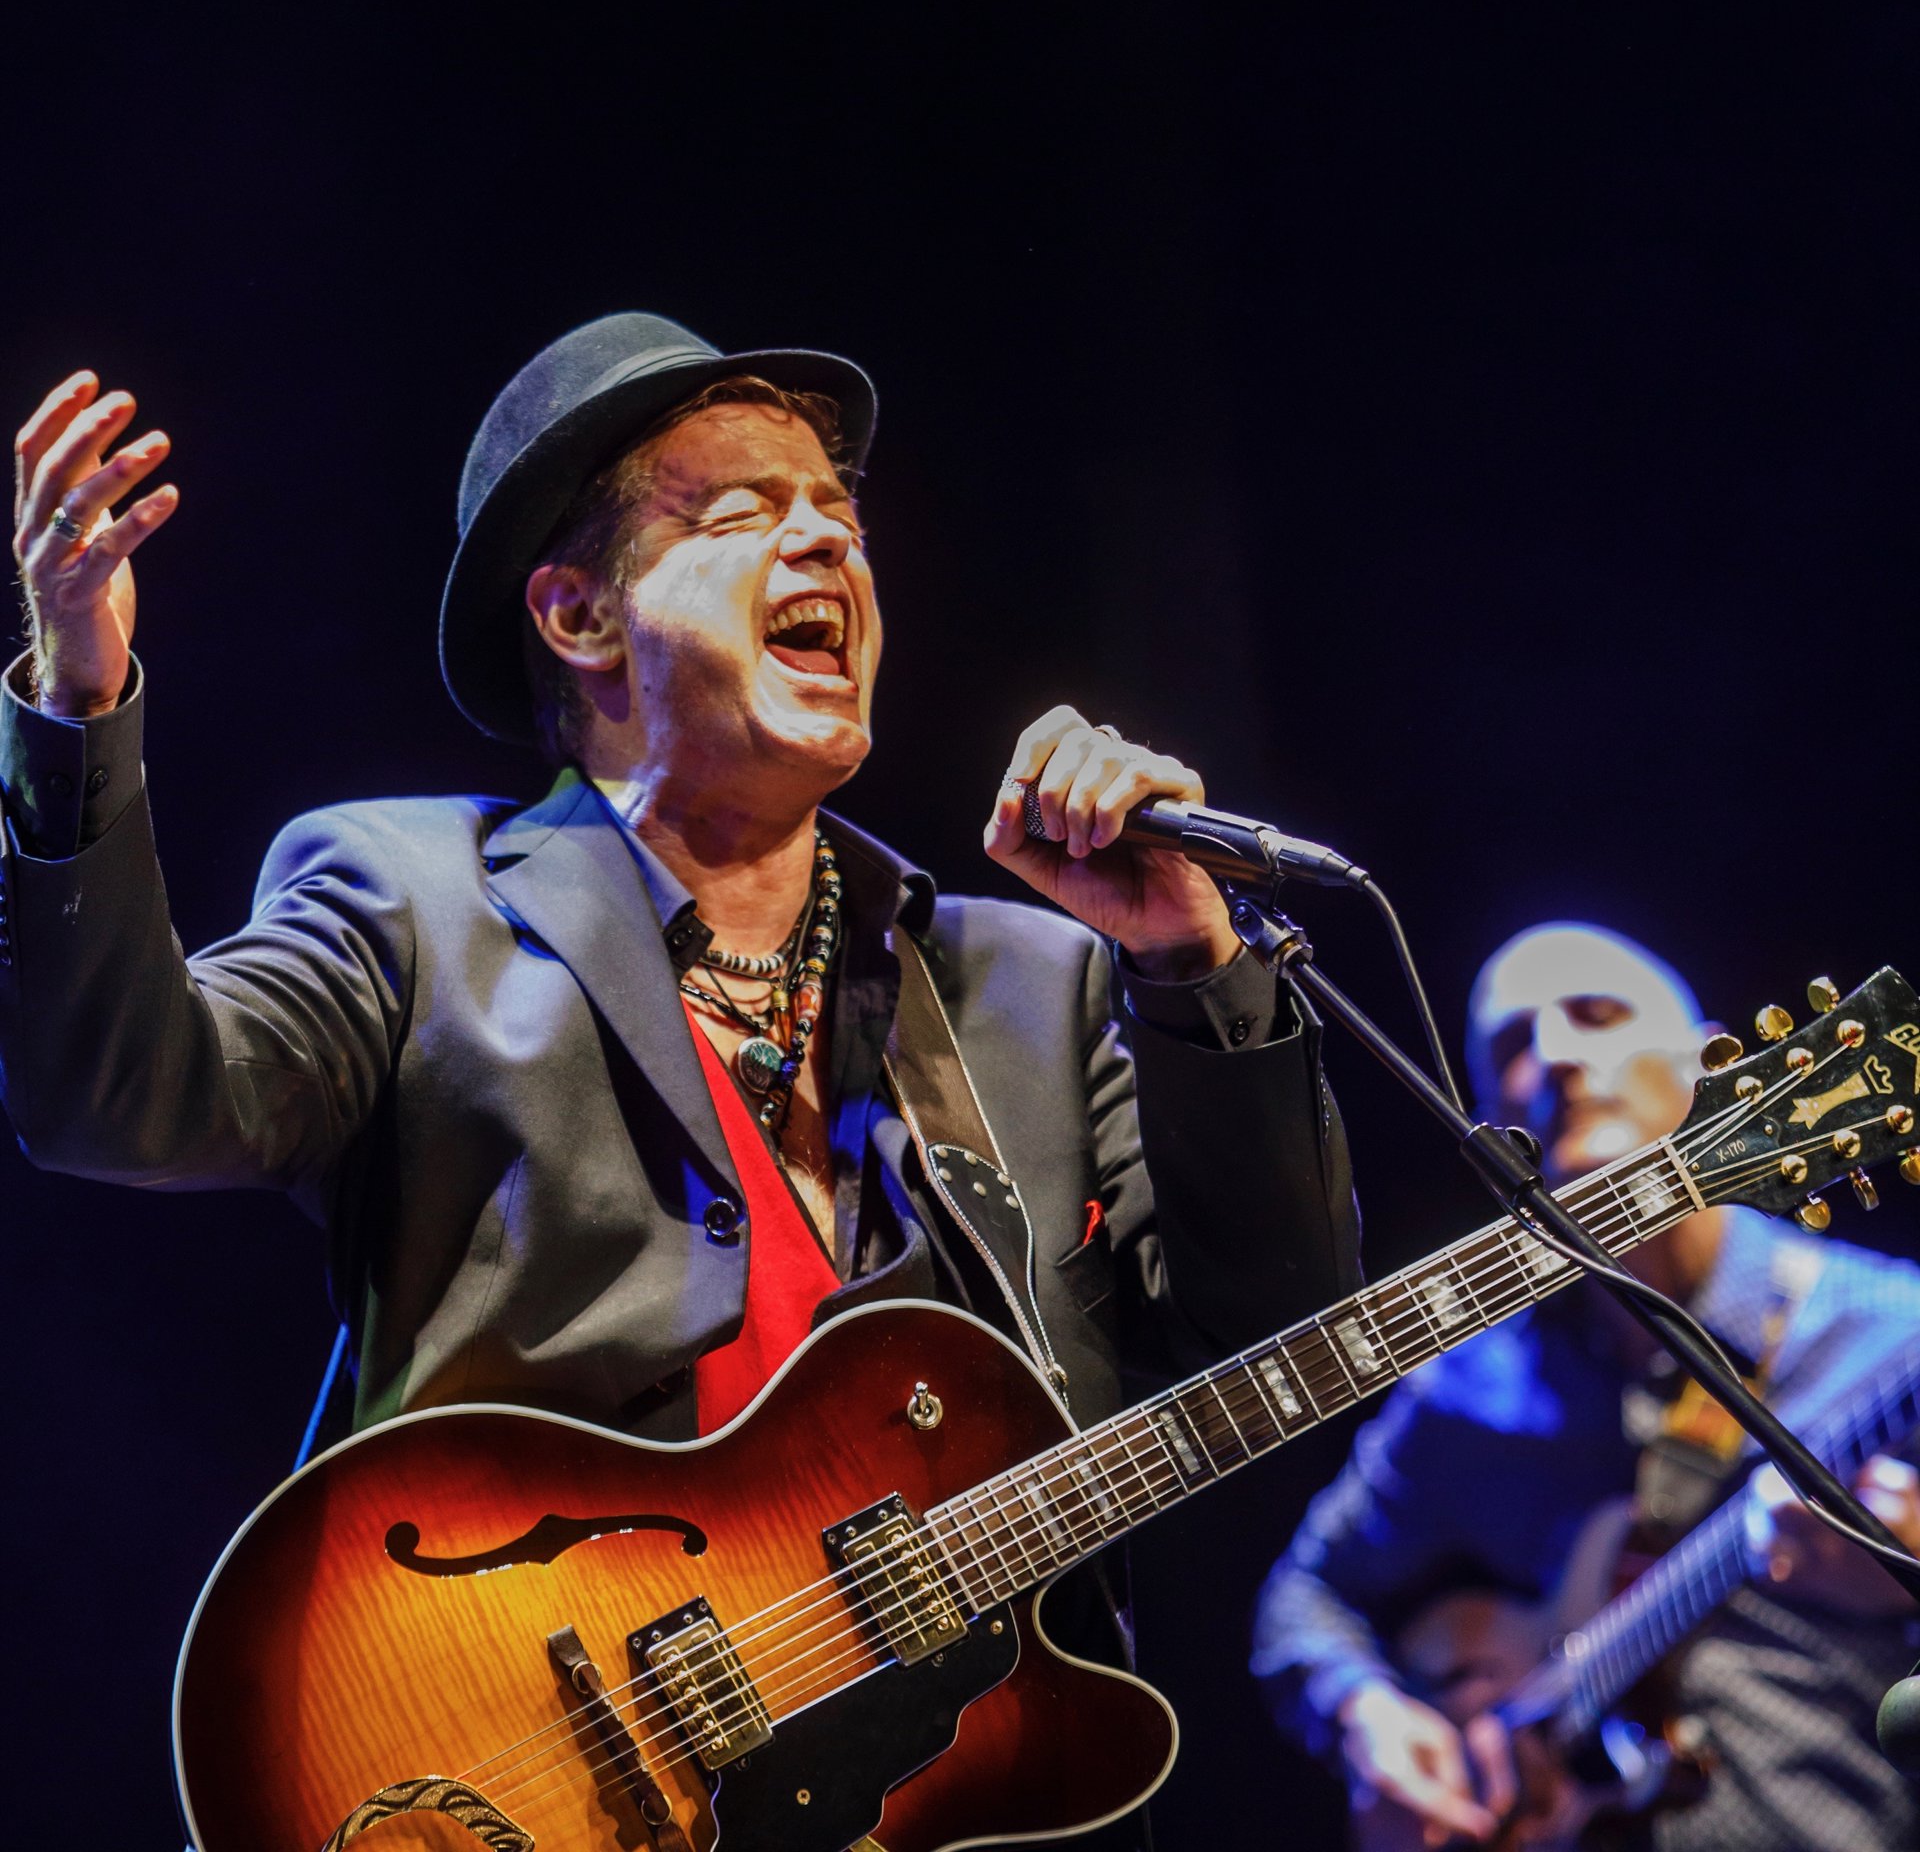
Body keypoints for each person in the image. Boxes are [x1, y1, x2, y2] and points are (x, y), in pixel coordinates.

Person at [2, 312, 1360, 1843]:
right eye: (740, 512)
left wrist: (1193, 965)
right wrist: (75, 709)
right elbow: (114, 1100)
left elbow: (1279, 1346)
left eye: (840, 516)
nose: (827, 544)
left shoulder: (1032, 981)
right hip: (528, 1772)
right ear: (580, 615)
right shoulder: (411, 898)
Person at [1252, 920, 1920, 1852]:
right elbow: (1305, 1597)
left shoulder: (1893, 1335)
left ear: (1711, 1062)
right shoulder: (1470, 1385)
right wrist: (1366, 1712)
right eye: (1512, 1046)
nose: (1558, 1056)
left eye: (1597, 1015)